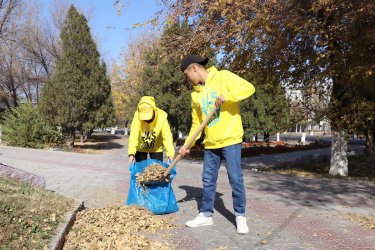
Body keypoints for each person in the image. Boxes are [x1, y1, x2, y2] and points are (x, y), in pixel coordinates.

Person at [179, 55, 255, 234]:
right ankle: (205, 215)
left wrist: (227, 96)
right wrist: (187, 144)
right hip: (211, 142)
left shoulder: (223, 77)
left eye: (186, 74)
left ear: (194, 69)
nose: (187, 78)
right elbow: (196, 124)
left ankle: (240, 215)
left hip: (230, 139)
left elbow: (249, 88)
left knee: (235, 178)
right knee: (207, 180)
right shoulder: (195, 95)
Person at [128, 96, 175, 164]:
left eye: (149, 118)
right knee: (140, 172)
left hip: (156, 149)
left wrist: (170, 155)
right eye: (144, 118)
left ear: (154, 111)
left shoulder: (162, 117)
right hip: (140, 148)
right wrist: (131, 154)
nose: (147, 120)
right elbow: (133, 136)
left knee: (157, 171)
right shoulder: (137, 116)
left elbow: (167, 137)